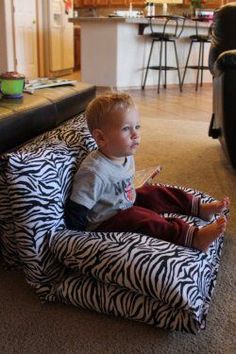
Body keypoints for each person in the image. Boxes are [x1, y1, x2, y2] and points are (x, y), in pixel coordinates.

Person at [65, 92, 229, 252]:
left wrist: (142, 177)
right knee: (141, 218)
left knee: (155, 192)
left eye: (137, 126)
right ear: (101, 138)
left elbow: (121, 181)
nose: (135, 134)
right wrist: (80, 242)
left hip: (124, 200)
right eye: (126, 129)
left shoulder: (123, 154)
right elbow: (76, 211)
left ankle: (198, 208)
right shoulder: (94, 171)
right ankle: (194, 237)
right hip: (106, 222)